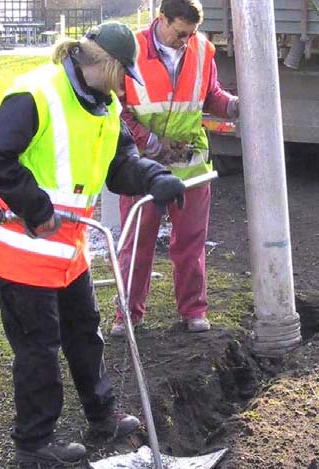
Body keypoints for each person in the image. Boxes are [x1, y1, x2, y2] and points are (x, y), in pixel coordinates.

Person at [0, 22, 185, 466]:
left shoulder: (105, 107)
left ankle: (102, 414)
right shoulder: (38, 93)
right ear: (104, 65)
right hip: (25, 252)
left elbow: (120, 162)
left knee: (85, 333)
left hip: (69, 253)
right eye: (123, 72)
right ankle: (34, 443)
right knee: (39, 348)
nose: (125, 82)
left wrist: (154, 176)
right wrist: (34, 205)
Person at [111, 0, 239, 337]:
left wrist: (235, 105)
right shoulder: (131, 48)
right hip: (141, 166)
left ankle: (194, 311)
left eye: (191, 34)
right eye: (180, 33)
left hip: (191, 164)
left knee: (191, 243)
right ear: (162, 19)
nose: (186, 41)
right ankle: (128, 315)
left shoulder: (203, 48)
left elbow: (209, 94)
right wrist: (151, 142)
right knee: (137, 243)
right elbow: (117, 108)